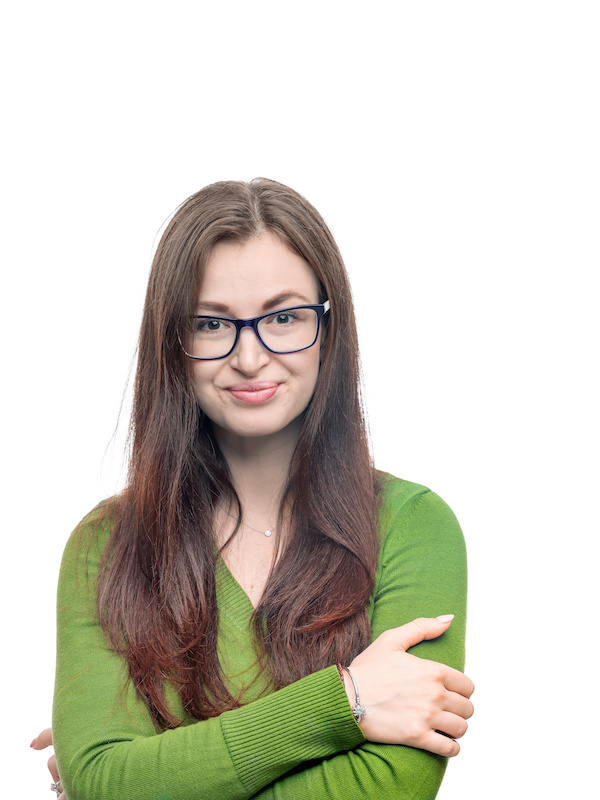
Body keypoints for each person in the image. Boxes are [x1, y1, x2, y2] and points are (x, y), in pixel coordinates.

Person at [33, 178, 474, 799]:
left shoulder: (413, 526)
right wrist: (343, 701)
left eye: (284, 317)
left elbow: (389, 787)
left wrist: (160, 774)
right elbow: (105, 780)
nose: (249, 357)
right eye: (212, 324)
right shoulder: (106, 546)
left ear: (329, 328)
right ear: (173, 343)